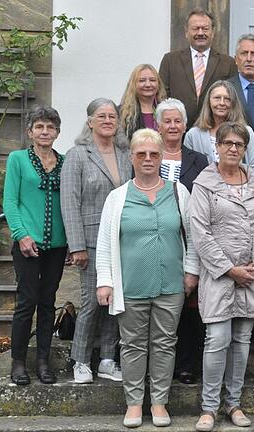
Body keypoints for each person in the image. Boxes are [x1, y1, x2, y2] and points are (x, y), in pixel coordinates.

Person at [94, 129, 199, 428]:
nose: (148, 159)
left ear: (162, 157)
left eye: (154, 154)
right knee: (132, 345)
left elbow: (192, 237)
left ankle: (160, 403)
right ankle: (134, 404)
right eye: (142, 154)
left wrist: (191, 272)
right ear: (132, 157)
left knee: (165, 344)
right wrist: (106, 281)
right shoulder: (118, 197)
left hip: (171, 284)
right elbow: (105, 242)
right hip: (131, 285)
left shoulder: (179, 192)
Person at [189, 121, 254, 431]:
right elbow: (199, 232)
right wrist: (229, 269)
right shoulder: (204, 184)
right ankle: (209, 407)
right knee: (217, 339)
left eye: (238, 144)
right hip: (219, 275)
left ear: (244, 149)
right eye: (226, 143)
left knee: (242, 340)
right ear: (216, 146)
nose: (232, 148)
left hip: (252, 275)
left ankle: (233, 403)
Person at [61, 98, 132, 384]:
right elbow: (69, 201)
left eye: (112, 116)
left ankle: (106, 359)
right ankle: (79, 360)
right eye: (100, 116)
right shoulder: (77, 154)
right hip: (90, 241)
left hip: (122, 239)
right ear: (89, 121)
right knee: (92, 301)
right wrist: (76, 245)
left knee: (116, 302)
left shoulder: (125, 154)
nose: (107, 120)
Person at [4, 106, 68, 386]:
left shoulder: (65, 161)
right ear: (30, 131)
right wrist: (21, 234)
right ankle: (18, 362)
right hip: (27, 243)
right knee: (26, 301)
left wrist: (71, 242)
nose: (45, 132)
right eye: (39, 127)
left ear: (57, 132)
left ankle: (43, 361)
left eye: (50, 127)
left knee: (48, 302)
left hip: (57, 246)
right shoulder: (18, 159)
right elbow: (10, 201)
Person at [150, 98, 209, 385]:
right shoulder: (148, 156)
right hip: (153, 239)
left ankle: (185, 364)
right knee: (156, 303)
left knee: (188, 304)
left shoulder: (200, 160)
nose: (173, 126)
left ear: (185, 125)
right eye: (167, 121)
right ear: (157, 125)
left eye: (178, 121)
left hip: (188, 239)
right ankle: (156, 365)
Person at [159, 8, 238, 128]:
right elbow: (162, 96)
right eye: (195, 28)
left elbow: (232, 98)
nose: (200, 33)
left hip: (215, 131)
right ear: (186, 32)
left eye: (205, 29)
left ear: (213, 32)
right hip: (178, 131)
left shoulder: (228, 63)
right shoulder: (170, 60)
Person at [183, 80, 254, 170]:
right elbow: (188, 169)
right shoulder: (193, 135)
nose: (222, 103)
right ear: (208, 101)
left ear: (233, 103)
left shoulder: (247, 132)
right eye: (217, 98)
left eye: (227, 99)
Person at [119, 64, 167, 138]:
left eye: (152, 80)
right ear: (133, 84)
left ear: (158, 84)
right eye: (142, 81)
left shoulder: (166, 110)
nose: (148, 84)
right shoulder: (121, 113)